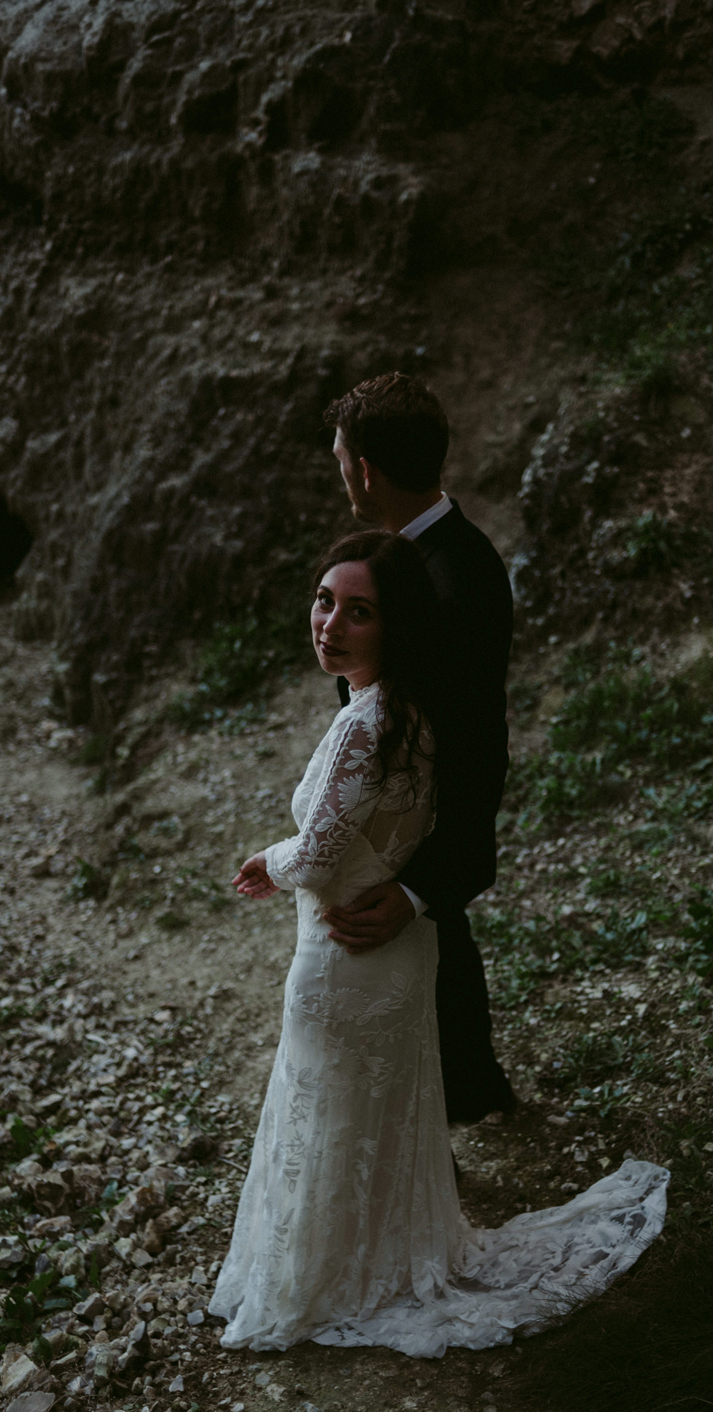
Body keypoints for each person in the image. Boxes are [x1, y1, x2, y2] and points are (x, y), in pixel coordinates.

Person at [209, 531, 667, 1355]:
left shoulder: (365, 725)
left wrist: (266, 863)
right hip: (398, 947)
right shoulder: (409, 714)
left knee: (329, 1115)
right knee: (374, 1118)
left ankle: (318, 1281)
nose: (331, 624)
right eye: (324, 602)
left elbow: (314, 856)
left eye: (358, 611)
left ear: (394, 627)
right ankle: (373, 1261)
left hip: (343, 952)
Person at [316, 372, 519, 1124]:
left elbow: (473, 750)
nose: (341, 475)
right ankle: (472, 1090)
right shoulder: (418, 556)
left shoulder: (453, 581)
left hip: (419, 842)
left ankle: (442, 1119)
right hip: (396, 833)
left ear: (365, 470)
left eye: (341, 461)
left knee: (424, 954)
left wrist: (421, 883)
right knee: (439, 957)